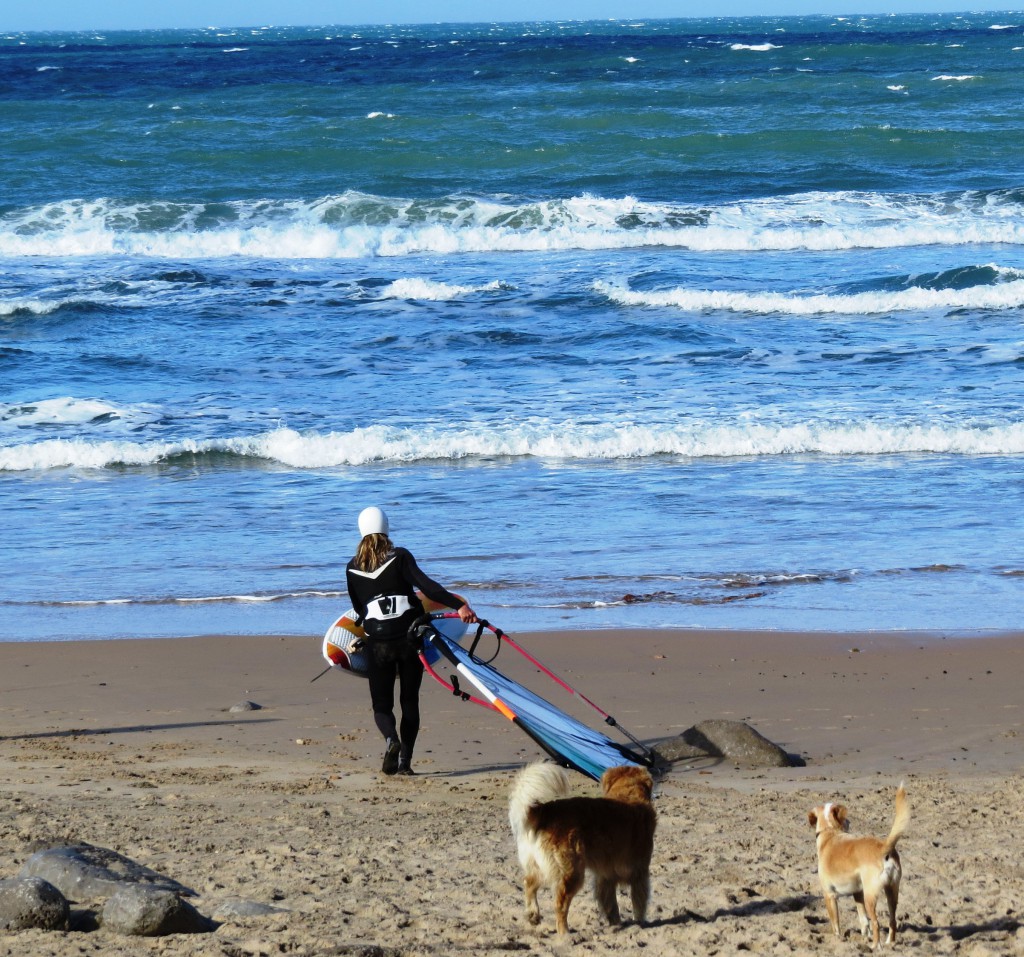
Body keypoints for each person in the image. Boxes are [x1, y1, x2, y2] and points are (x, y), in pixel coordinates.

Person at [345, 506, 477, 776]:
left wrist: (361, 639)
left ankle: (390, 739)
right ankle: (405, 763)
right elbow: (428, 588)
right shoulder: (400, 556)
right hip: (409, 637)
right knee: (409, 701)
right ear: (387, 527)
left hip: (377, 642)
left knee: (382, 704)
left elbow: (360, 610)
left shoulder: (351, 568)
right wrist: (458, 606)